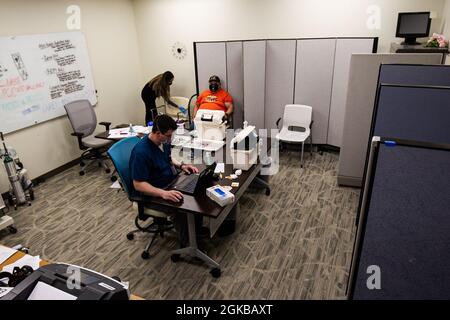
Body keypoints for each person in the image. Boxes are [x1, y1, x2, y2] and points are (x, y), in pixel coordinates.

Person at [129, 114, 203, 247]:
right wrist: (163, 193)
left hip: (170, 183)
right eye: (168, 135)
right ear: (158, 133)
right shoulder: (141, 152)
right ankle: (189, 245)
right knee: (181, 206)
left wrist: (182, 165)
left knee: (195, 190)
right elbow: (138, 184)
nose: (171, 139)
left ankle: (196, 232)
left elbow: (168, 159)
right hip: (154, 193)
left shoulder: (163, 143)